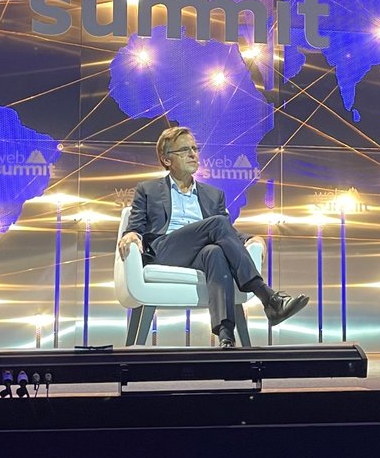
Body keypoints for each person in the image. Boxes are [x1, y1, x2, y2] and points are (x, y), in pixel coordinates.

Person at [118, 126, 309, 347]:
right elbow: (136, 225)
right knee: (216, 224)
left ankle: (226, 335)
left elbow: (226, 231)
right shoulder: (148, 189)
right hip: (166, 251)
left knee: (216, 252)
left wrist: (248, 240)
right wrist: (131, 234)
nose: (193, 154)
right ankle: (267, 296)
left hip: (199, 254)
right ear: (166, 159)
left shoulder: (212, 194)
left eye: (194, 148)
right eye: (184, 150)